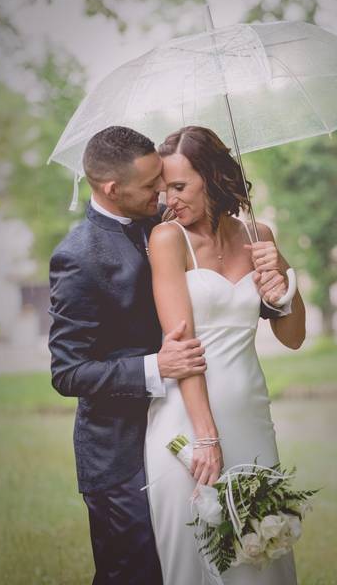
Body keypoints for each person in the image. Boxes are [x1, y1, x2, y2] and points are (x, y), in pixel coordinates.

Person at [48, 125, 210, 584]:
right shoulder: (77, 257)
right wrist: (154, 367)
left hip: (178, 429)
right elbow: (67, 372)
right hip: (117, 452)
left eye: (163, 179)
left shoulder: (165, 225)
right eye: (149, 185)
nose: (161, 191)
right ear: (111, 189)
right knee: (134, 572)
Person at [144, 125, 306, 584]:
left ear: (213, 177)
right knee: (198, 561)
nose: (168, 200)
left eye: (179, 186)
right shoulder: (167, 240)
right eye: (163, 189)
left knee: (262, 556)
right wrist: (206, 436)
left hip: (251, 418)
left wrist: (281, 281)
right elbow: (183, 343)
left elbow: (293, 336)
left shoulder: (259, 235)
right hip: (189, 425)